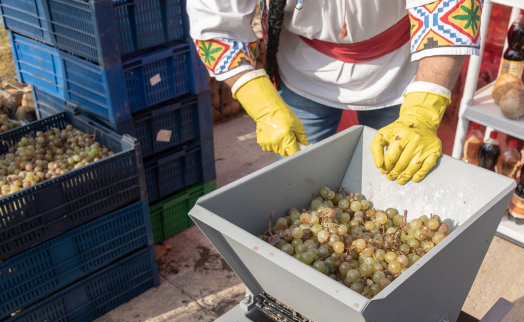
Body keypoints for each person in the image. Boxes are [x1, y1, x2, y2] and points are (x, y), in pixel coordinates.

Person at [189, 0, 483, 184]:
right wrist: (262, 105)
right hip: (302, 69)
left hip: (399, 70)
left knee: (398, 176)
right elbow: (216, 23)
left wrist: (422, 112)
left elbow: (450, 8)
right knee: (299, 180)